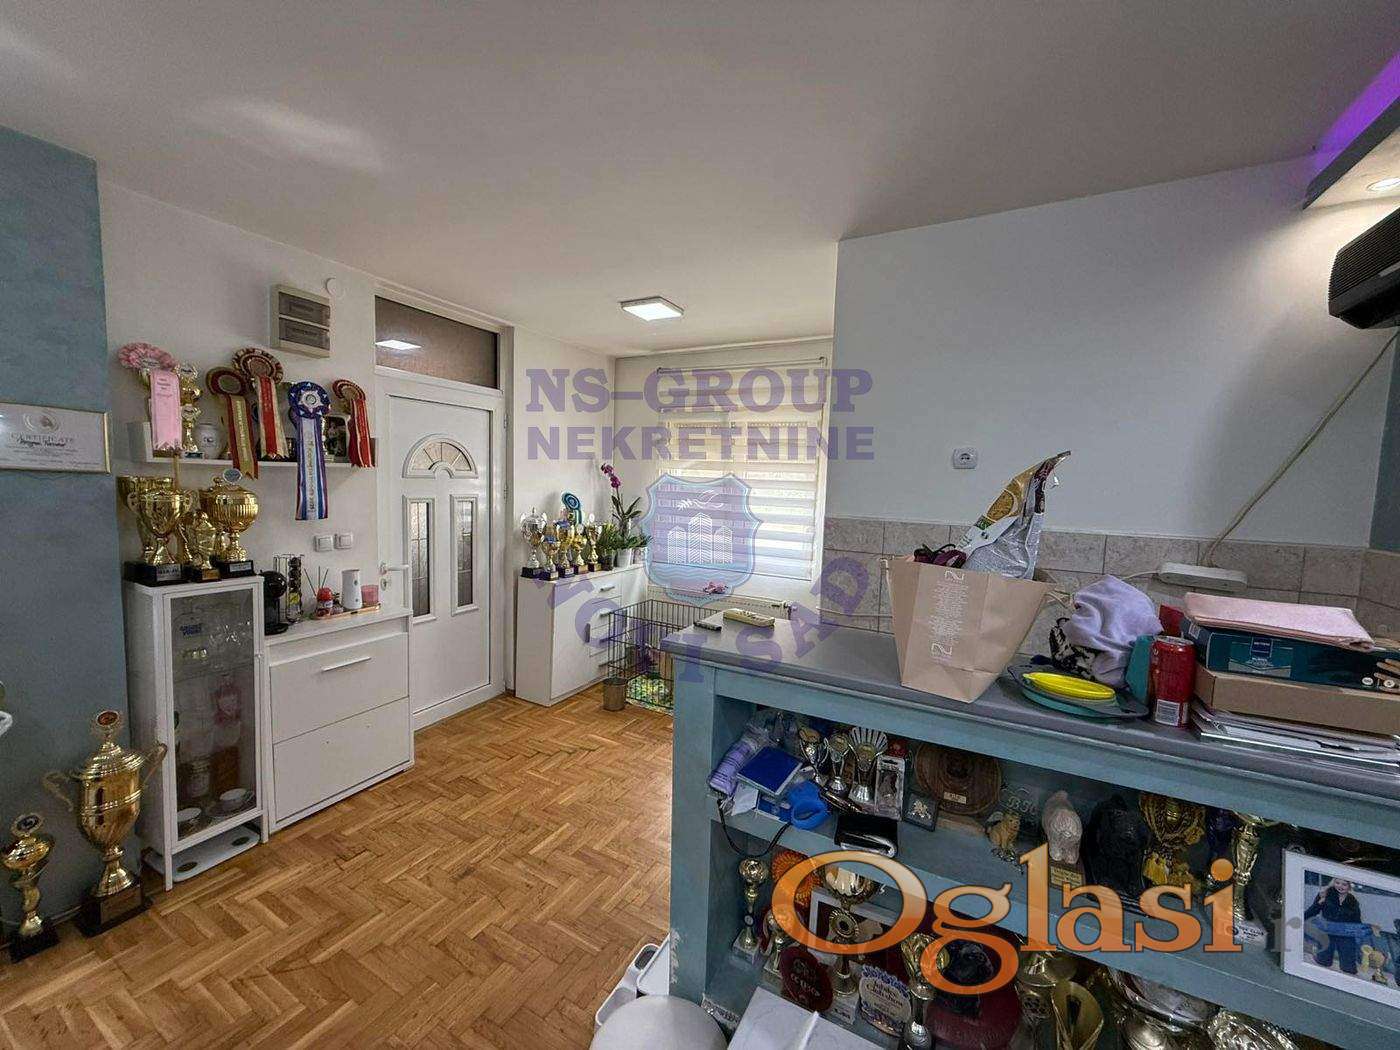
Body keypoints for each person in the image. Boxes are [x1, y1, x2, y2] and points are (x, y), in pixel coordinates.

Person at [1305, 878, 1363, 974]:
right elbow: (1313, 910)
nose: (1340, 886)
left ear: (1349, 887)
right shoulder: (1324, 894)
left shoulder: (1353, 901)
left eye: (1344, 884)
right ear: (1333, 883)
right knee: (1323, 962)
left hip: (1345, 934)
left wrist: (1360, 933)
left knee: (1348, 968)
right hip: (1327, 931)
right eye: (1337, 883)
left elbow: (1357, 920)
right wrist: (1301, 917)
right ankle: (1319, 955)